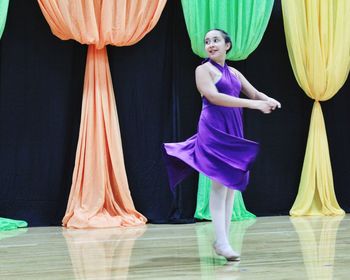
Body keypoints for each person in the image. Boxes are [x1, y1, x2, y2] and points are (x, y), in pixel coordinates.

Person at [163, 29, 281, 261]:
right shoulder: (202, 70)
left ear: (227, 45)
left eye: (216, 40)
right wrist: (254, 105)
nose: (211, 44)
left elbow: (254, 92)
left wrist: (267, 100)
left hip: (233, 128)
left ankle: (222, 241)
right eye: (207, 41)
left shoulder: (234, 72)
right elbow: (214, 97)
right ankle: (223, 242)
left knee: (229, 186)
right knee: (219, 184)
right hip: (214, 129)